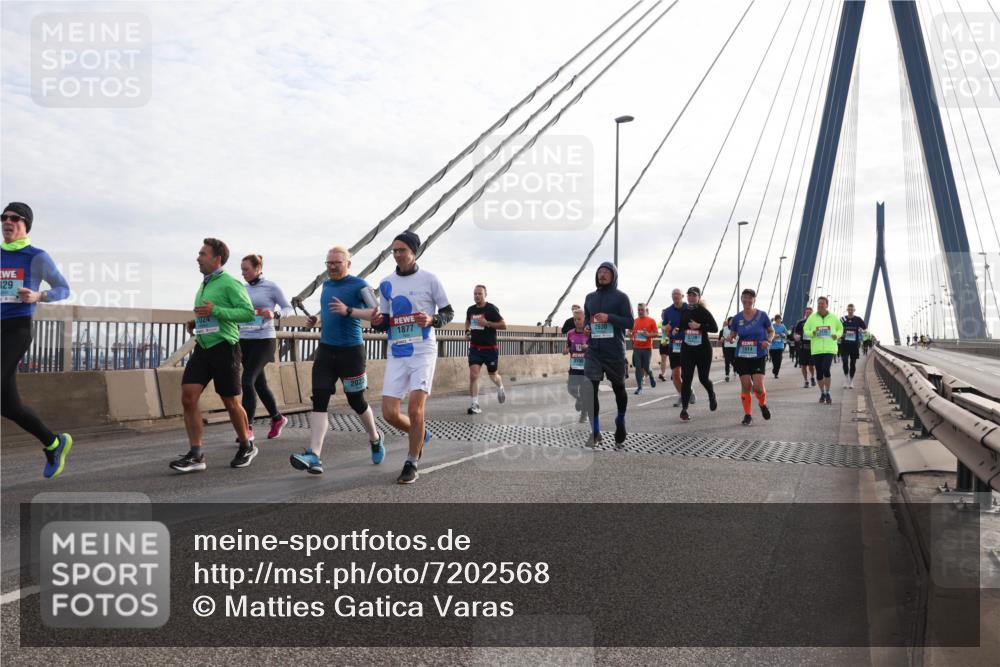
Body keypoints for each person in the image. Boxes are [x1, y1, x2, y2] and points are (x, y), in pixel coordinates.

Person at [290, 246, 384, 475]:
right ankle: (314, 455)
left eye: (337, 263)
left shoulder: (360, 285)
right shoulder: (327, 285)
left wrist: (349, 310)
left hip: (351, 352)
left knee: (356, 400)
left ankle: (374, 437)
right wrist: (318, 318)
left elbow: (377, 314)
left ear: (348, 264)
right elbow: (329, 309)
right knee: (319, 399)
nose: (332, 267)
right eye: (328, 263)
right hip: (326, 350)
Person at [371, 232, 453, 484]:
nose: (397, 255)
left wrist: (432, 319)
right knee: (389, 413)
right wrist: (377, 323)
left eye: (402, 250)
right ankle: (419, 436)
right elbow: (385, 321)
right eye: (394, 251)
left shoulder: (430, 279)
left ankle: (411, 461)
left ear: (413, 252)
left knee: (415, 409)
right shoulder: (386, 283)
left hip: (423, 351)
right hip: (398, 351)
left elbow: (448, 312)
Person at [170, 238, 256, 473]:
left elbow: (248, 313)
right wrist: (196, 321)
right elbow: (209, 314)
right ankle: (196, 454)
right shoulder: (204, 284)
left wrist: (215, 310)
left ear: (216, 259)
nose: (198, 257)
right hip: (203, 347)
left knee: (230, 401)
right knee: (188, 396)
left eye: (202, 254)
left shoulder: (230, 283)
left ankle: (247, 444)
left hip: (225, 347)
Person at [1, 202, 73, 478]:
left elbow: (63, 289)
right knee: (8, 405)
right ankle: (54, 443)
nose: (7, 221)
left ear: (25, 225)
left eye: (14, 218)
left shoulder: (36, 256)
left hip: (17, 328)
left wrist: (37, 296)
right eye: (4, 217)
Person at [238, 254, 293, 441]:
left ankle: (247, 427)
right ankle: (277, 418)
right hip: (244, 339)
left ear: (258, 268)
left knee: (246, 381)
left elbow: (288, 308)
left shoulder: (271, 287)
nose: (243, 273)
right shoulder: (242, 289)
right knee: (259, 384)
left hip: (264, 340)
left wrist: (274, 313)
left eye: (246, 269)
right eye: (242, 269)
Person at [583, 262, 634, 446]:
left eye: (606, 272)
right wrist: (588, 328)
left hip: (614, 352)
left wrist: (609, 318)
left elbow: (630, 323)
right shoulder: (590, 298)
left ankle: (620, 421)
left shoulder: (621, 298)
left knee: (619, 388)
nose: (602, 275)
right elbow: (588, 321)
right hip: (594, 351)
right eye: (599, 272)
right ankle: (595, 432)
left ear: (613, 276)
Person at [727, 288, 773, 426]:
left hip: (758, 354)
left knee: (758, 387)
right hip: (741, 355)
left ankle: (763, 404)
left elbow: (771, 331)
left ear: (754, 300)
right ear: (741, 299)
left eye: (750, 297)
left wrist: (768, 341)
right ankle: (748, 415)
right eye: (744, 297)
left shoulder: (762, 315)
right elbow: (733, 334)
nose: (747, 300)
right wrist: (730, 338)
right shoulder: (737, 318)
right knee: (746, 386)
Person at [677, 286, 718, 421]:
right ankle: (684, 409)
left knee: (703, 378)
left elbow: (714, 328)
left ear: (698, 297)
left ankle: (711, 394)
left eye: (694, 295)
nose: (691, 297)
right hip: (688, 349)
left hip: (703, 350)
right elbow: (682, 326)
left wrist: (699, 326)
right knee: (686, 378)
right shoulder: (684, 312)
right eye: (689, 295)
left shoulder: (703, 311)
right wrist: (676, 330)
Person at [465, 285, 507, 414]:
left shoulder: (491, 309)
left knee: (493, 375)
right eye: (475, 294)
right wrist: (467, 331)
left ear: (485, 295)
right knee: (473, 375)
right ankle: (475, 404)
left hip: (490, 348)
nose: (477, 296)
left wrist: (487, 323)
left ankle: (500, 386)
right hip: (475, 348)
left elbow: (503, 325)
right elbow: (467, 321)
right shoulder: (470, 309)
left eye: (480, 294)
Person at [804, 296, 843, 405]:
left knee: (826, 369)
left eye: (822, 303)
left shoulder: (833, 317)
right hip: (817, 349)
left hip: (830, 348)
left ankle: (828, 392)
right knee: (819, 373)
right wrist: (812, 333)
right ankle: (822, 393)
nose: (820, 305)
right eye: (819, 303)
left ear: (827, 305)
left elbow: (840, 328)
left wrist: (837, 335)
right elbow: (806, 329)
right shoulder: (812, 318)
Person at [661, 289, 693, 407]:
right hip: (673, 345)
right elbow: (664, 327)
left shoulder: (689, 308)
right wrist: (666, 328)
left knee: (686, 374)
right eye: (673, 294)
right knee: (675, 374)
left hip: (688, 345)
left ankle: (689, 391)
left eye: (677, 294)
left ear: (682, 296)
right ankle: (682, 395)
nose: (675, 296)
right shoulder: (668, 311)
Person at [564, 308, 591, 423]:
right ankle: (579, 399)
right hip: (574, 367)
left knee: (585, 391)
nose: (577, 321)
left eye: (579, 319)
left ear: (584, 319)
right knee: (571, 389)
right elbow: (569, 346)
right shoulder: (570, 333)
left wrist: (588, 348)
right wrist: (567, 350)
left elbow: (596, 347)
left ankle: (584, 415)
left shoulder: (589, 333)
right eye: (575, 319)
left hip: (586, 367)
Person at [630, 303, 658, 395]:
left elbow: (656, 333)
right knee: (638, 368)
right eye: (638, 310)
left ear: (646, 310)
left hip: (647, 348)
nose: (640, 312)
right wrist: (630, 334)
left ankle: (651, 375)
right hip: (637, 348)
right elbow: (631, 332)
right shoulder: (635, 321)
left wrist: (648, 335)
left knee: (646, 367)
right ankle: (639, 387)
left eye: (642, 310)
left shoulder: (651, 321)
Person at [839, 303, 866, 389]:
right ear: (847, 310)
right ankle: (846, 378)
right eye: (849, 309)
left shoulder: (858, 319)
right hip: (845, 344)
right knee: (845, 361)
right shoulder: (843, 319)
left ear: (854, 310)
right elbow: (837, 327)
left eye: (852, 309)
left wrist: (860, 329)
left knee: (853, 363)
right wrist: (841, 333)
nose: (850, 311)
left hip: (854, 345)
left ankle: (851, 381)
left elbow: (864, 327)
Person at [793, 308, 816, 388]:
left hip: (812, 347)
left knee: (811, 366)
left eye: (810, 312)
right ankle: (806, 381)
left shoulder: (815, 322)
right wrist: (796, 337)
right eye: (807, 312)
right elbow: (795, 333)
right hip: (802, 347)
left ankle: (812, 377)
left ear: (812, 313)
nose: (808, 314)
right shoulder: (800, 322)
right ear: (805, 313)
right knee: (803, 365)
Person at [719, 317, 737, 382]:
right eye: (730, 321)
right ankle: (727, 375)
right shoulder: (725, 329)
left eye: (733, 321)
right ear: (728, 322)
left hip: (734, 347)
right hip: (727, 347)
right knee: (727, 361)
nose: (731, 322)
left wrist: (733, 340)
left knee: (733, 361)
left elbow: (737, 337)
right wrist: (722, 338)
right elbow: (723, 336)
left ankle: (735, 370)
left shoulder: (735, 328)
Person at [770, 314, 787, 378]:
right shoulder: (772, 326)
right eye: (777, 319)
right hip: (772, 346)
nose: (779, 321)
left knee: (779, 360)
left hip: (780, 345)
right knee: (774, 360)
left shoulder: (783, 326)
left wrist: (783, 335)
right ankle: (775, 370)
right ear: (775, 320)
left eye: (780, 319)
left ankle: (776, 372)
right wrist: (773, 337)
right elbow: (768, 334)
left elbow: (786, 334)